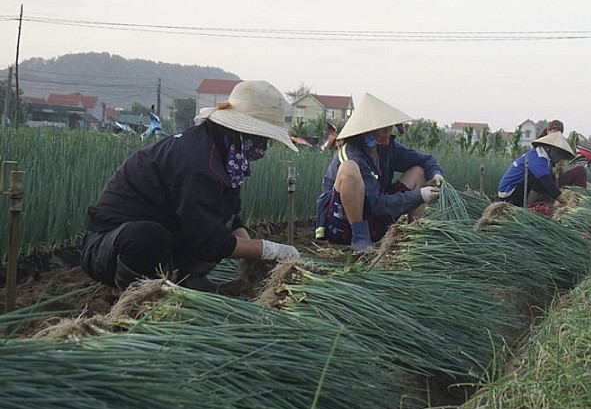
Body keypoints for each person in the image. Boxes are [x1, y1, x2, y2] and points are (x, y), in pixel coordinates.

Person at [80, 80, 304, 293]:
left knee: (206, 227)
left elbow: (230, 217)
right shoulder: (196, 160)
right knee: (148, 237)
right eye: (262, 137)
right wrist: (268, 249)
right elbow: (209, 241)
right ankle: (137, 296)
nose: (264, 145)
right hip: (106, 246)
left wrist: (255, 259)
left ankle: (187, 283)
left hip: (165, 240)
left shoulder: (226, 157)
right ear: (244, 132)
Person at [315, 93, 444, 253]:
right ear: (365, 130)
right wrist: (420, 195)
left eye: (389, 127)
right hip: (342, 225)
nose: (387, 131)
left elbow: (423, 159)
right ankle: (360, 239)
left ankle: (413, 237)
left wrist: (436, 173)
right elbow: (376, 204)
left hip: (375, 222)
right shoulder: (352, 153)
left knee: (419, 171)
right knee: (349, 169)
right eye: (381, 128)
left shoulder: (386, 148)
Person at [498, 131, 576, 207]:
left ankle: (543, 204)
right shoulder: (538, 157)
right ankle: (528, 207)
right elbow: (547, 182)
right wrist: (564, 201)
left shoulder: (543, 158)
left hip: (518, 188)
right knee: (543, 181)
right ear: (549, 147)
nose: (558, 155)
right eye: (557, 152)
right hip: (508, 194)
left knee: (548, 177)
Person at [537, 120, 587, 188]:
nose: (556, 136)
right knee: (580, 171)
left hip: (555, 179)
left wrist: (559, 168)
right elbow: (540, 170)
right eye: (554, 132)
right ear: (548, 131)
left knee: (580, 171)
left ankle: (580, 193)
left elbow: (558, 171)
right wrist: (552, 171)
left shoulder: (557, 147)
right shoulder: (540, 146)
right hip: (544, 182)